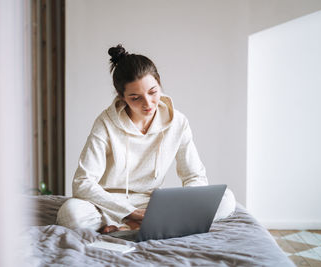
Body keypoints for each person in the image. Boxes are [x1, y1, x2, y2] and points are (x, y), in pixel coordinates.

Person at [56, 44, 236, 234]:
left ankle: (131, 226)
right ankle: (132, 224)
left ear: (159, 83)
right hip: (109, 205)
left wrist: (183, 205)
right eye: (135, 97)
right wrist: (128, 212)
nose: (148, 103)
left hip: (153, 203)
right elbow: (82, 182)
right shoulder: (105, 123)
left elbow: (194, 176)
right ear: (122, 96)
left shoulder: (178, 122)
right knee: (71, 214)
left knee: (227, 199)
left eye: (153, 92)